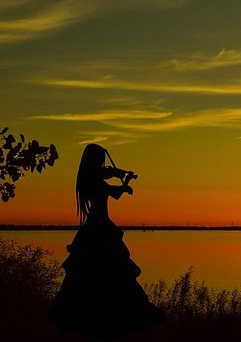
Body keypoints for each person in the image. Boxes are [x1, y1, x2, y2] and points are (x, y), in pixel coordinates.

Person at [49, 144, 163, 340]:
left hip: (99, 226)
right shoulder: (91, 178)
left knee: (104, 272)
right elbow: (103, 183)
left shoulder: (95, 178)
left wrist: (124, 185)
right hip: (99, 227)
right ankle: (107, 318)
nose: (103, 165)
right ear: (93, 161)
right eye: (100, 160)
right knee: (112, 271)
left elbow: (113, 193)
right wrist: (116, 176)